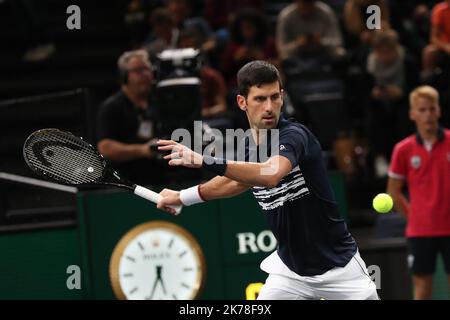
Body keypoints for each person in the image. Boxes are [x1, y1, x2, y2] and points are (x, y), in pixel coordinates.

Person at [156, 61, 379, 300]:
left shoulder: (295, 136)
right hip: (290, 273)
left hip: (341, 270)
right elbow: (234, 182)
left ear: (282, 96)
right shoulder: (247, 146)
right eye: (260, 99)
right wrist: (181, 197)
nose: (269, 107)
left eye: (274, 97)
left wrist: (205, 161)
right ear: (242, 102)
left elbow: (270, 175)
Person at [387, 85, 450, 300]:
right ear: (413, 114)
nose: (428, 115)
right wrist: (413, 217)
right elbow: (393, 192)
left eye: (432, 109)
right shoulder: (403, 149)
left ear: (439, 111)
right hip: (420, 232)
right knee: (422, 290)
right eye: (422, 110)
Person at [96, 49, 164, 186]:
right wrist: (143, 150)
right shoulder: (112, 106)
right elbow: (105, 148)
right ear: (124, 76)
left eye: (147, 69)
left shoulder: (159, 101)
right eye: (138, 71)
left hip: (161, 178)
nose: (145, 74)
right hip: (126, 183)